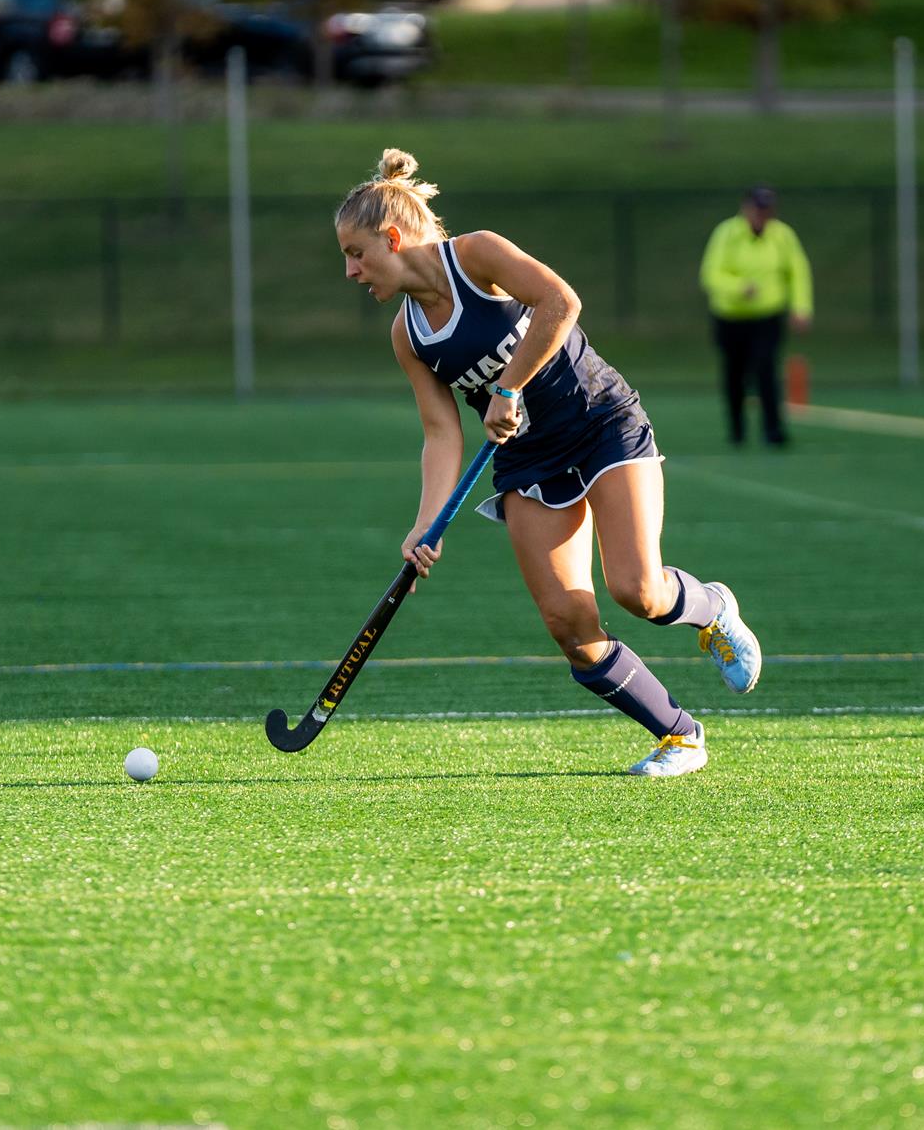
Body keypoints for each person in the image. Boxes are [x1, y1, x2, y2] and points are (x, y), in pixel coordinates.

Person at [336, 149, 763, 777]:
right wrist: (426, 526)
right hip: (530, 460)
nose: (350, 272)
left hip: (599, 422)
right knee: (569, 623)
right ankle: (679, 736)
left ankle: (712, 609)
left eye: (355, 253)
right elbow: (440, 432)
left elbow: (560, 303)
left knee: (636, 590)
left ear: (393, 239)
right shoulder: (408, 334)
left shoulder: (475, 256)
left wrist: (506, 388)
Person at [699, 187, 813, 447]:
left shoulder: (782, 235)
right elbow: (710, 274)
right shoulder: (727, 233)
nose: (762, 215)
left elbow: (798, 272)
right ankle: (737, 429)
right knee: (735, 374)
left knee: (766, 369)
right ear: (746, 208)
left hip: (767, 316)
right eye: (758, 209)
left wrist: (801, 307)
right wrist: (740, 288)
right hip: (731, 317)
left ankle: (773, 430)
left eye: (767, 210)